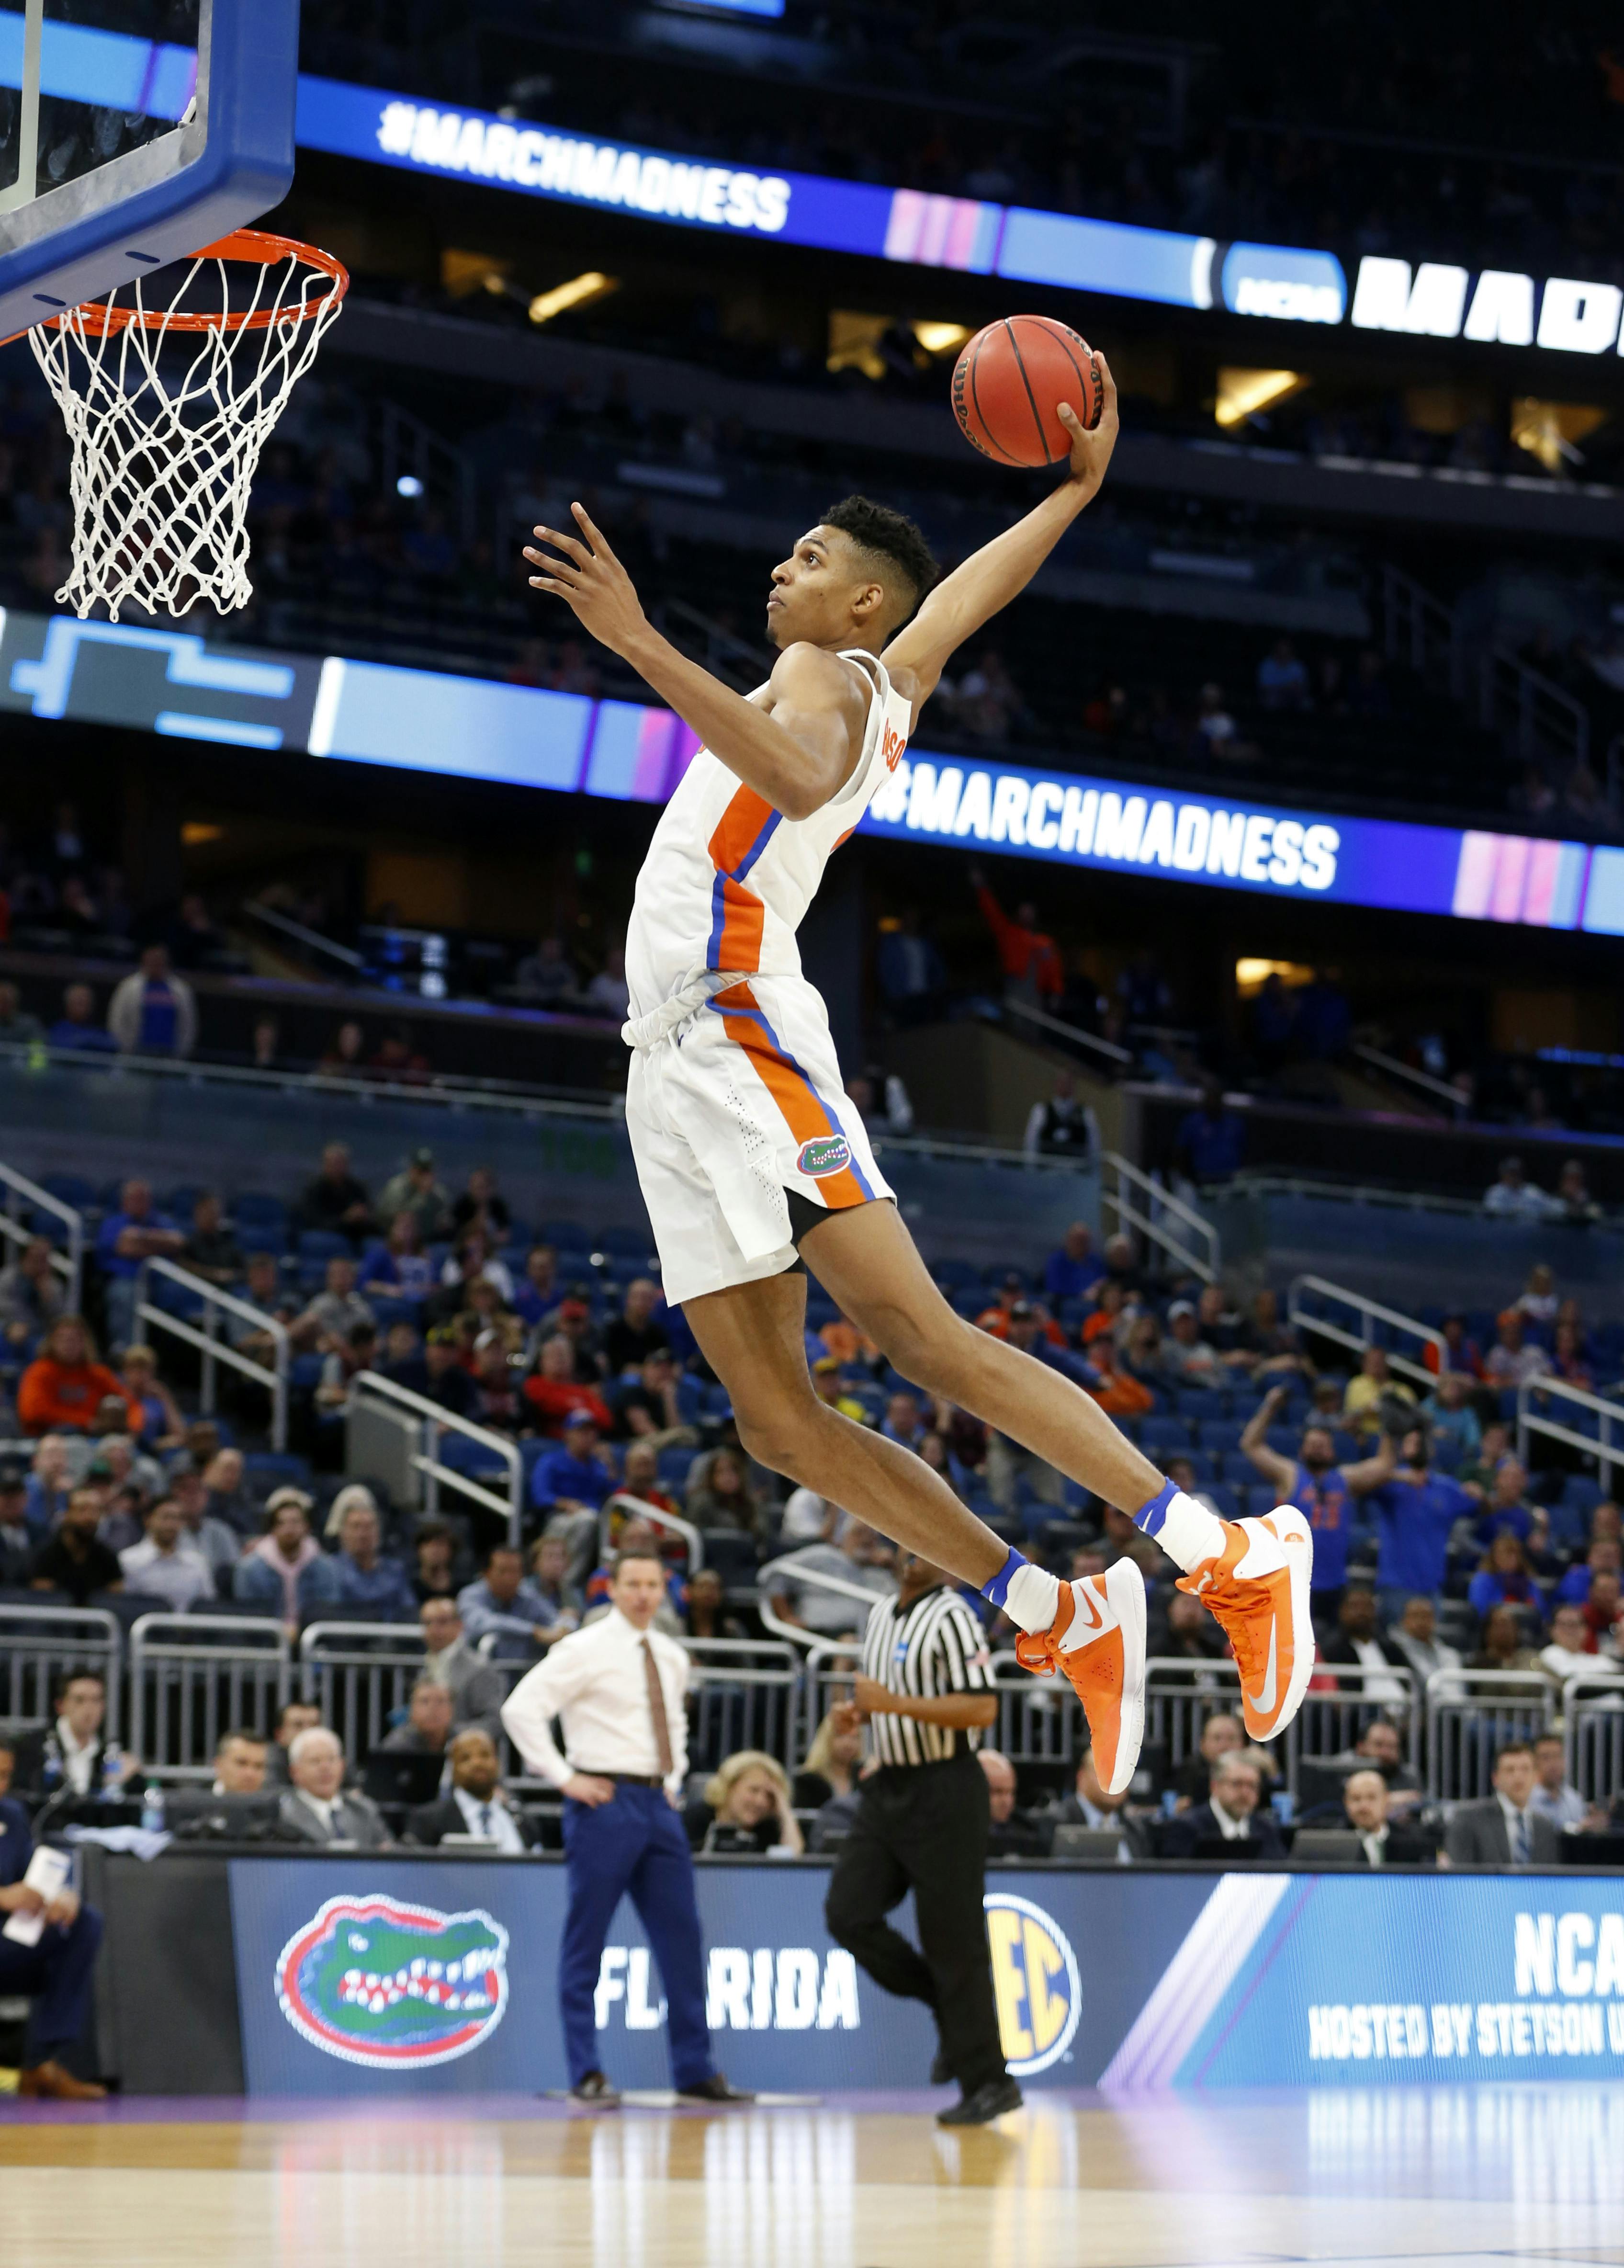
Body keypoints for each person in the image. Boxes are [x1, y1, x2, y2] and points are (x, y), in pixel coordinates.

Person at [524, 374, 1312, 1796]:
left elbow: (805, 773)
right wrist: (1066, 495)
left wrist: (636, 638)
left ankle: (1225, 1553)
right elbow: (961, 602)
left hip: (739, 1023)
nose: (783, 567)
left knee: (909, 1331)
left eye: (811, 562)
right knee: (773, 1420)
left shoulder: (825, 686)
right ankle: (1060, 1615)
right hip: (671, 1066)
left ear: (859, 611)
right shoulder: (887, 666)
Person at [500, 1547, 750, 2108]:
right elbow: (520, 1708)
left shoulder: (669, 1653)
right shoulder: (582, 1648)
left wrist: (676, 1775)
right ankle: (586, 2070)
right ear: (609, 1587)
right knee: (587, 1939)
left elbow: (676, 1721)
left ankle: (694, 2068)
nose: (642, 1593)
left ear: (666, 1591)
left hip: (657, 1801)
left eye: (652, 1583)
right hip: (603, 1799)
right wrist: (565, 1776)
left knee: (683, 1938)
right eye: (631, 1583)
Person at [819, 1550, 1016, 2125]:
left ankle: (990, 2081)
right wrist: (858, 1718)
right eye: (898, 1539)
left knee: (952, 1941)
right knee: (847, 1913)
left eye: (920, 1541)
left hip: (946, 1785)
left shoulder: (954, 1614)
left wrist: (893, 1706)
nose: (909, 1551)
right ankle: (943, 2005)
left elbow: (981, 1706)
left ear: (938, 1547)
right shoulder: (879, 1612)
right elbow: (888, 1702)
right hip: (888, 1784)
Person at [0, 1738, 107, 2097]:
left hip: (10, 1943)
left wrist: (57, 1900)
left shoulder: (11, 1816)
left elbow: (33, 1879)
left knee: (84, 1923)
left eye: (3, 1776)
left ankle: (41, 2062)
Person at [1241, 1386, 1395, 1622]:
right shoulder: (1290, 1475)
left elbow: (1385, 1465)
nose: (1317, 1449)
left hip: (1334, 1583)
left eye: (1322, 1445)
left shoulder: (1344, 1479)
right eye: (1312, 1444)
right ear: (1302, 1449)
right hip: (1291, 1581)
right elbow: (1251, 1445)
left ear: (1332, 1451)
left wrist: (1388, 1420)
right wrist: (1270, 1408)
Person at [8, 1665, 135, 1799]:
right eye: (80, 1700)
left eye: (96, 1700)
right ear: (60, 1706)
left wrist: (128, 1778)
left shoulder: (110, 1754)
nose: (89, 1709)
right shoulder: (32, 1748)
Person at [405, 1727, 537, 1852]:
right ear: (453, 1770)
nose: (477, 1763)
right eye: (465, 1758)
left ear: (497, 1763)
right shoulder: (429, 1821)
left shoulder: (523, 1820)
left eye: (485, 1755)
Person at [1442, 1742, 1564, 1866]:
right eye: (1510, 1770)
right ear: (1496, 1779)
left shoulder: (1545, 1827)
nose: (1519, 1777)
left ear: (1536, 1777)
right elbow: (1460, 1876)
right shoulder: (1469, 1820)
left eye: (1525, 1769)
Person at [18, 1314, 141, 1437]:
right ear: (52, 1342)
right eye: (63, 1339)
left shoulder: (97, 1374)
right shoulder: (39, 1372)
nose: (68, 1345)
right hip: (50, 1440)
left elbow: (130, 1404)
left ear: (85, 1343)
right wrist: (85, 1422)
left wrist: (133, 1429)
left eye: (74, 1339)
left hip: (94, 1439)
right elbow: (33, 1412)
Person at [276, 1727, 391, 1847]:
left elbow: (388, 1852)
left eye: (332, 1759)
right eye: (315, 1761)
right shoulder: (284, 1815)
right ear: (295, 1772)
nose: (325, 1768)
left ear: (342, 1766)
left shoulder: (364, 1810)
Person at [459, 1540, 580, 1650]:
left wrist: (566, 1626)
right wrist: (533, 1631)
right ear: (486, 1573)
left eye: (515, 1571)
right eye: (503, 1571)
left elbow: (554, 1619)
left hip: (523, 1671)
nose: (510, 1578)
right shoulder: (470, 1596)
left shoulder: (527, 1595)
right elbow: (484, 1623)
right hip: (477, 1672)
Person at [1162, 1752, 1287, 1859]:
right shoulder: (1187, 1828)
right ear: (1215, 1786)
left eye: (1252, 1786)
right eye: (1237, 1784)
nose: (1245, 1793)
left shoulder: (1266, 1830)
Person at [234, 1488, 329, 1628]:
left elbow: (329, 1613)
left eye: (295, 1522)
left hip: (314, 1641)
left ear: (307, 1527)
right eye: (282, 1523)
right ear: (272, 1528)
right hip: (267, 1641)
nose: (289, 1529)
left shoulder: (326, 1568)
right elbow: (249, 1617)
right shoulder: (249, 1569)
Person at [416, 1596, 508, 1737]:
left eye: (442, 1622)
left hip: (464, 1751)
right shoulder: (425, 1665)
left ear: (459, 1626)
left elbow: (494, 1722)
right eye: (428, 1623)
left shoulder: (479, 1668)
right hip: (424, 1747)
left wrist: (449, 1733)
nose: (434, 1629)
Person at [687, 1749, 805, 1854]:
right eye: (754, 1790)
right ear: (729, 1787)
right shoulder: (695, 1819)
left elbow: (793, 1860)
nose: (761, 1802)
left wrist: (785, 1813)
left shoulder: (768, 1829)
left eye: (770, 1796)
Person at [1047, 1745, 1148, 1860]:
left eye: (1122, 1774)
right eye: (1105, 1772)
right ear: (1081, 1777)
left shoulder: (1137, 1829)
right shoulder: (1055, 1824)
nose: (1115, 1781)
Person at [28, 1485, 124, 1604]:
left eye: (96, 1511)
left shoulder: (108, 1558)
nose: (90, 1518)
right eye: (82, 1510)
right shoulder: (45, 1556)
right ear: (67, 1513)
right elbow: (43, 1601)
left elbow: (115, 1601)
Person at [117, 1495, 214, 1612]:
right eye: (166, 1517)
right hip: (145, 1628)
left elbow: (208, 1605)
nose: (171, 1524)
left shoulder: (197, 1562)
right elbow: (124, 1606)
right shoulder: (128, 1560)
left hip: (189, 1628)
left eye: (178, 1518)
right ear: (148, 1520)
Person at [106, 942, 197, 1057]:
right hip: (136, 1053)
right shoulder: (128, 987)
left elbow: (188, 1024)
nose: (156, 963)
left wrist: (182, 1052)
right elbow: (117, 1019)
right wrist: (124, 1048)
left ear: (166, 961)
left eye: (159, 960)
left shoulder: (181, 989)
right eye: (153, 960)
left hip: (170, 1055)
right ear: (144, 960)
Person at [1341, 1769, 1431, 1866]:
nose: (1364, 1806)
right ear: (1346, 1802)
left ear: (1386, 1800)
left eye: (1371, 1798)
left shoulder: (1413, 1843)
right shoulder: (1334, 1843)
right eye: (1356, 1799)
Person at [295, 1143, 374, 1246]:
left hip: (354, 1237)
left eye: (340, 1163)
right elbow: (313, 1221)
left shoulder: (357, 1188)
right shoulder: (314, 1190)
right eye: (333, 1163)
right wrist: (345, 1219)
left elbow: (369, 1215)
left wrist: (362, 1217)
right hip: (324, 1237)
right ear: (324, 1165)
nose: (336, 1167)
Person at [1172, 1078, 1245, 1186]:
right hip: (1200, 1180)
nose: (1213, 1101)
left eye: (1216, 1097)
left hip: (1229, 1181)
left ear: (1221, 1098)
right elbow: (1181, 1152)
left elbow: (1243, 1152)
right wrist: (1189, 1179)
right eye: (1210, 1097)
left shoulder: (1235, 1124)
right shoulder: (1193, 1122)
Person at [0, 1233, 66, 1349]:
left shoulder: (54, 1285)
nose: (39, 1264)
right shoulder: (9, 1278)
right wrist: (11, 1325)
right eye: (36, 1258)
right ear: (24, 1258)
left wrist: (48, 1298)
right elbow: (4, 1308)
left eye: (44, 1259)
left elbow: (60, 1319)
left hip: (40, 1332)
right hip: (11, 1326)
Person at [977, 1748, 1046, 1858]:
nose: (1007, 1801)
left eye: (1011, 1792)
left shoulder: (1025, 1833)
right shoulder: (959, 1835)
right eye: (998, 1792)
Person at [793, 1707, 864, 1810]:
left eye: (855, 1737)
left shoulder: (864, 1777)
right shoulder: (808, 1781)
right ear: (826, 1739)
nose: (848, 1743)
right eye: (841, 1736)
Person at [375, 1148, 451, 1242]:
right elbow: (398, 1218)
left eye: (427, 1171)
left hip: (428, 1240)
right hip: (394, 1238)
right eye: (420, 1171)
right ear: (411, 1169)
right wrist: (422, 1195)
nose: (424, 1176)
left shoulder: (438, 1191)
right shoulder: (397, 1187)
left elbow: (445, 1217)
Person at [1527, 1732, 1598, 1832]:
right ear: (1534, 1762)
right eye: (1546, 1758)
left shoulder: (1574, 1799)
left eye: (1557, 1756)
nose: (1553, 1764)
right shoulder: (1527, 1800)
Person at [1023, 1073, 1098, 1166]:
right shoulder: (1041, 1110)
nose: (1065, 1086)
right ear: (1056, 1084)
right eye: (1062, 1082)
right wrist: (1031, 1171)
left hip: (1075, 1172)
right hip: (1046, 1171)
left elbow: (1094, 1148)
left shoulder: (1086, 1113)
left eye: (1069, 1083)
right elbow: (1031, 1144)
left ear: (1074, 1086)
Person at [602, 1278, 671, 1375]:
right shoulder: (613, 1330)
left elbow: (668, 1357)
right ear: (628, 1300)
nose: (641, 1303)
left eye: (647, 1298)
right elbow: (614, 1365)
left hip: (656, 1377)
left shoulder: (658, 1332)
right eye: (637, 1297)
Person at [381, 1678, 456, 1757]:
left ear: (452, 1709)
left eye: (441, 1701)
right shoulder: (396, 1746)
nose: (433, 1708)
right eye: (425, 1701)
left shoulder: (464, 1741)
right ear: (412, 1710)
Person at [263, 1699, 322, 1789]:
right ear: (280, 1735)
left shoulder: (333, 1760)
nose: (308, 1731)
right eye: (298, 1725)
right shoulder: (267, 1762)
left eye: (314, 1725)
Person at [1042, 1222, 1105, 1305]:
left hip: (1096, 1303)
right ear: (1068, 1240)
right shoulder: (1057, 1261)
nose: (1080, 1244)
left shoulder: (1096, 1261)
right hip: (1067, 1303)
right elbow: (1054, 1288)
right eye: (1077, 1240)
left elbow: (1105, 1280)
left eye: (1084, 1241)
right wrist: (1082, 1294)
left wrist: (1100, 1288)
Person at [212, 1728, 268, 1795]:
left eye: (259, 1766)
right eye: (242, 1763)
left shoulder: (274, 1803)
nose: (250, 1774)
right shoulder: (198, 1800)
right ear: (219, 1765)